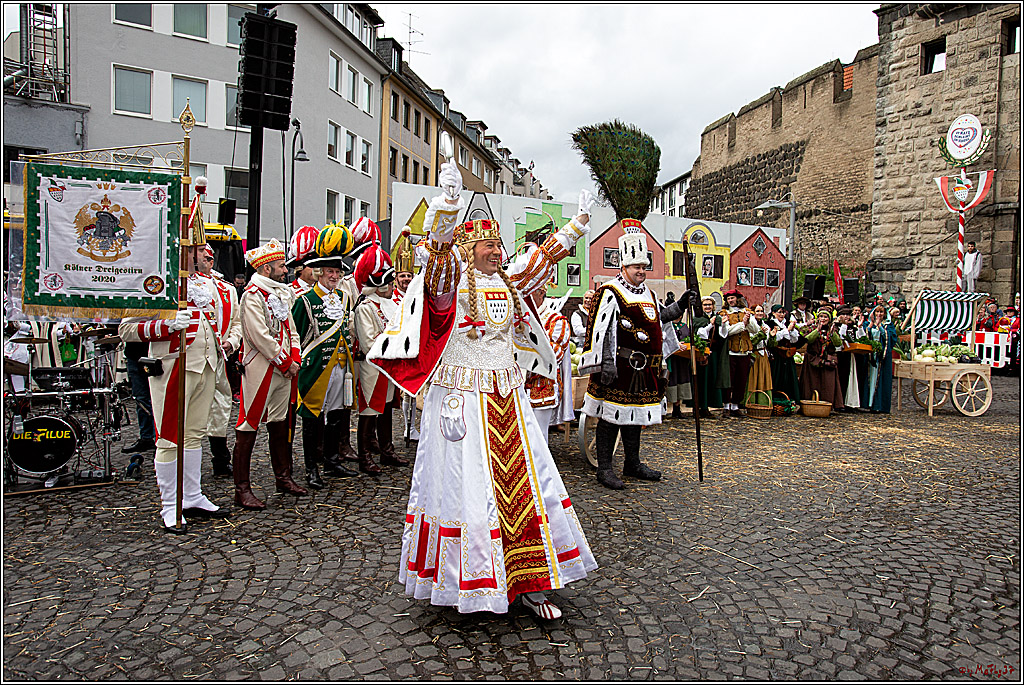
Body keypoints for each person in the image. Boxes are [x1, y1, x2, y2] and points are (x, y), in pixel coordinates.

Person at [367, 162, 597, 619]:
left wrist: (578, 223)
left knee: (528, 486)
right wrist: (447, 211)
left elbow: (543, 257)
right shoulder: (452, 282)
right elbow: (435, 271)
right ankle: (467, 579)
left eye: (498, 245)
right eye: (490, 246)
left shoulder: (508, 281)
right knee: (466, 487)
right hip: (463, 398)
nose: (497, 252)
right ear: (470, 250)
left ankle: (530, 581)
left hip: (508, 397)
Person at [118, 248, 231, 533]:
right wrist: (165, 326)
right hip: (173, 367)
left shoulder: (207, 283)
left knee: (194, 434)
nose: (197, 253)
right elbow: (127, 330)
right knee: (169, 437)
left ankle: (192, 496)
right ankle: (170, 504)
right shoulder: (156, 281)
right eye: (191, 248)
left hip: (206, 364)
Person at [580, 224, 694, 489]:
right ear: (623, 267)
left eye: (644, 266)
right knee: (610, 417)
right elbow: (599, 329)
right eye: (636, 267)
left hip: (644, 370)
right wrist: (605, 364)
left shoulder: (649, 293)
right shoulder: (610, 291)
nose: (641, 271)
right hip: (618, 366)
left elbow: (659, 319)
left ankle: (632, 463)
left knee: (634, 416)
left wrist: (680, 306)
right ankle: (605, 468)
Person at [232, 238, 306, 510]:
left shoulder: (280, 293)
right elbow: (259, 336)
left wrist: (295, 356)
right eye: (279, 266)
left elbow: (291, 329)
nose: (285, 270)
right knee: (248, 423)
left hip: (285, 367)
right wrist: (285, 362)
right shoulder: (252, 295)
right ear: (266, 270)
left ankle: (283, 477)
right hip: (263, 366)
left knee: (280, 421)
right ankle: (242, 489)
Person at [292, 225, 361, 489]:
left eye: (338, 271)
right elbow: (297, 335)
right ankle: (312, 468)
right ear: (320, 273)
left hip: (342, 366)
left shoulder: (344, 298)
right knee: (312, 417)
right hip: (316, 367)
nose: (334, 276)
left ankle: (332, 461)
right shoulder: (305, 300)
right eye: (330, 271)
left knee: (336, 415)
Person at [352, 240, 410, 473]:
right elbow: (369, 343)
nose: (390, 285)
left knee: (386, 408)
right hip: (373, 367)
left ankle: (387, 450)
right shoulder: (366, 307)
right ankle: (365, 456)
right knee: (368, 411)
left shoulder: (390, 304)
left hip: (389, 366)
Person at [195, 245, 242, 478]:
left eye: (209, 253)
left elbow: (237, 321)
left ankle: (220, 459)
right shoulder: (180, 286)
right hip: (192, 361)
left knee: (221, 407)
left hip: (219, 358)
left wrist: (232, 342)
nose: (207, 256)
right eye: (201, 251)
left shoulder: (226, 289)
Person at [524, 282, 573, 435]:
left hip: (542, 386)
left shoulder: (556, 320)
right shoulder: (520, 318)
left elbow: (553, 356)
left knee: (538, 435)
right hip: (518, 386)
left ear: (540, 293)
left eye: (528, 293)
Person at [390, 227, 421, 443]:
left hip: (415, 348)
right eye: (402, 276)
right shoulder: (391, 301)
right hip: (397, 349)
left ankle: (413, 427)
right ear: (395, 277)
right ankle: (405, 427)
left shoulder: (416, 297)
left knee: (415, 392)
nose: (406, 280)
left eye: (409, 275)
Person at [719, 289, 759, 417]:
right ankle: (726, 406)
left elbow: (755, 330)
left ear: (738, 299)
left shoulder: (746, 312)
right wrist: (743, 324)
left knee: (741, 380)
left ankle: (735, 406)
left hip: (744, 351)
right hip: (731, 351)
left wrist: (748, 321)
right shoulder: (724, 313)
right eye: (728, 299)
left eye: (733, 298)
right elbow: (727, 332)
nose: (731, 301)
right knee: (728, 380)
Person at [799, 309, 844, 411]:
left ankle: (827, 405)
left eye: (825, 317)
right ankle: (809, 405)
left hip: (827, 361)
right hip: (813, 360)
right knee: (811, 383)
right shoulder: (811, 328)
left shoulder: (832, 329)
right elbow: (808, 340)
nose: (823, 319)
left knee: (827, 384)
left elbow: (838, 343)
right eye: (821, 317)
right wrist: (817, 330)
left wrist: (833, 334)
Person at [122, 339, 157, 456]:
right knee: (140, 399)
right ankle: (146, 437)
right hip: (134, 355)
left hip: (153, 355)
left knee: (156, 398)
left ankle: (159, 437)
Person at [693, 296, 723, 418]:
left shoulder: (718, 318)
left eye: (709, 305)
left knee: (711, 379)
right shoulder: (698, 319)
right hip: (701, 352)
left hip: (714, 353)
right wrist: (710, 325)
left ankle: (707, 407)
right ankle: (699, 407)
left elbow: (723, 334)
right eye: (705, 305)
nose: (707, 307)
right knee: (701, 380)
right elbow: (699, 333)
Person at [663, 293, 692, 419]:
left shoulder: (684, 326)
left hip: (682, 359)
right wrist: (675, 344)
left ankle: (677, 408)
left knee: (681, 380)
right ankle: (665, 408)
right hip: (670, 358)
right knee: (670, 381)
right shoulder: (666, 326)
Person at [865, 305, 898, 413]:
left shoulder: (888, 325)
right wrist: (870, 327)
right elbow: (864, 336)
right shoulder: (868, 324)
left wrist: (881, 328)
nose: (879, 314)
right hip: (871, 356)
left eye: (881, 312)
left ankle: (878, 405)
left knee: (880, 380)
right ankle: (867, 403)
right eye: (877, 312)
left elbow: (892, 338)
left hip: (881, 357)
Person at [767, 305, 800, 402]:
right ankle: (776, 400)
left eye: (783, 312)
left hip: (787, 355)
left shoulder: (786, 324)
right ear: (773, 313)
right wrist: (787, 330)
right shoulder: (770, 323)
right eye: (779, 312)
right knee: (777, 377)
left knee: (788, 379)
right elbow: (773, 339)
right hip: (776, 356)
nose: (781, 314)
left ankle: (789, 400)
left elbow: (794, 340)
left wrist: (792, 330)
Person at [745, 303, 772, 406]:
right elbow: (751, 341)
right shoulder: (751, 325)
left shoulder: (765, 325)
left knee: (764, 378)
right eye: (757, 311)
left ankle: (763, 402)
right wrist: (760, 334)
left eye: (761, 311)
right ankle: (750, 402)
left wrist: (772, 336)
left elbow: (769, 342)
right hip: (754, 354)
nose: (760, 313)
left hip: (763, 354)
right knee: (753, 378)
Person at [835, 307, 861, 412]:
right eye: (844, 314)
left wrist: (859, 327)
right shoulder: (836, 326)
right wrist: (844, 325)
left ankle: (850, 403)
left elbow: (859, 337)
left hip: (850, 355)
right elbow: (841, 337)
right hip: (840, 354)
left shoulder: (853, 326)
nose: (846, 317)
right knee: (841, 378)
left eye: (848, 314)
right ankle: (840, 403)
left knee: (851, 379)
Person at [287, 225, 322, 299]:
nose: (317, 269)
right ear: (299, 268)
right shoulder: (288, 292)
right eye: (311, 265)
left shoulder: (325, 290)